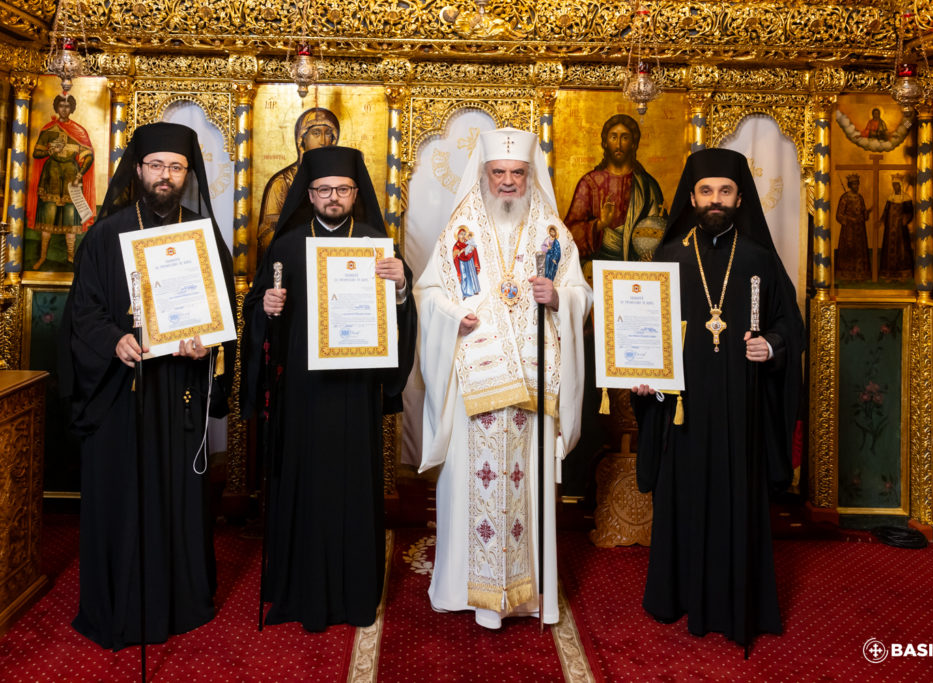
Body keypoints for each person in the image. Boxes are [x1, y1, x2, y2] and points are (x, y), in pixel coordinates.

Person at [58, 122, 235, 650]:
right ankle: (118, 603)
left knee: (176, 497)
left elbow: (224, 324)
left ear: (188, 175)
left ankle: (179, 604)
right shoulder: (107, 233)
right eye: (156, 165)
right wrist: (114, 341)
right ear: (138, 170)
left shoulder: (201, 238)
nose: (165, 176)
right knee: (121, 498)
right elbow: (81, 313)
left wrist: (207, 345)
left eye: (176, 167)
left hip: (178, 392)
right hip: (120, 396)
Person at [415, 128, 592, 628]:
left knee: (526, 488)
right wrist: (453, 318)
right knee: (472, 488)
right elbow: (429, 294)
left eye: (517, 173)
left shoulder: (553, 232)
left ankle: (527, 595)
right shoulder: (460, 231)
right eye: (500, 173)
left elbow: (581, 294)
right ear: (485, 174)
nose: (508, 182)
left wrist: (558, 299)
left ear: (530, 175)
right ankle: (465, 590)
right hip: (477, 381)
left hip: (534, 387)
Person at [632, 148, 803, 650]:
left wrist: (769, 344)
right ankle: (676, 594)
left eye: (725, 191)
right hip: (682, 411)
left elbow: (788, 326)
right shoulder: (666, 258)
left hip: (739, 410)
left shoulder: (758, 259)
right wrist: (642, 374)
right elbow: (643, 331)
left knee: (735, 498)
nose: (715, 200)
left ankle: (734, 603)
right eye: (706, 191)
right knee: (681, 495)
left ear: (739, 197)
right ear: (692, 197)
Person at [241, 146, 416, 630]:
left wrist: (401, 287)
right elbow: (256, 313)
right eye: (323, 190)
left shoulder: (378, 244)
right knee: (305, 481)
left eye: (342, 189)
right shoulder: (288, 245)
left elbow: (403, 315)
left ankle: (354, 593)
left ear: (356, 193)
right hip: (304, 392)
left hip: (355, 391)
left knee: (352, 485)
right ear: (309, 194)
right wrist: (267, 310)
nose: (333, 197)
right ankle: (299, 590)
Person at [564, 114, 665, 273]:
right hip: (597, 271)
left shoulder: (646, 185)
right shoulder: (589, 183)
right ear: (604, 142)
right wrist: (600, 224)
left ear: (633, 144)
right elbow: (568, 234)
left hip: (639, 271)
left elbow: (659, 228)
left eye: (625, 138)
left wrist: (652, 254)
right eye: (613, 137)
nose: (618, 144)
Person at [256, 107, 340, 263]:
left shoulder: (341, 183)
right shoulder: (282, 182)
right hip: (292, 261)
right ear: (302, 138)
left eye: (328, 133)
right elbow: (266, 234)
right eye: (316, 133)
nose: (323, 141)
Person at [28, 92, 95, 269]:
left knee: (70, 218)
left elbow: (88, 155)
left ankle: (71, 257)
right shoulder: (48, 130)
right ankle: (42, 257)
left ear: (71, 109)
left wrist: (80, 173)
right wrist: (50, 150)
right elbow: (36, 153)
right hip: (51, 175)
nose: (64, 109)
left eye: (67, 106)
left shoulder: (79, 131)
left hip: (71, 177)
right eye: (61, 106)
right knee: (47, 218)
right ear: (56, 107)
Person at [834, 173, 871, 281]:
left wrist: (865, 214)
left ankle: (861, 275)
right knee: (849, 250)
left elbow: (863, 213)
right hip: (848, 231)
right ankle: (846, 275)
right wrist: (851, 220)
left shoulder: (860, 198)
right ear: (850, 185)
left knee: (860, 251)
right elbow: (839, 215)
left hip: (860, 231)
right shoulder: (844, 198)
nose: (856, 186)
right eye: (854, 184)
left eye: (857, 184)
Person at [878, 177, 915, 281]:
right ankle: (888, 274)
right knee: (888, 250)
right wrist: (881, 220)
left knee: (902, 250)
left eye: (897, 184)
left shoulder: (906, 198)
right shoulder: (890, 198)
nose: (895, 187)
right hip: (890, 229)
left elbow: (910, 212)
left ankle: (903, 274)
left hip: (900, 230)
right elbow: (886, 211)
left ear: (900, 185)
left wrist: (906, 218)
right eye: (893, 185)